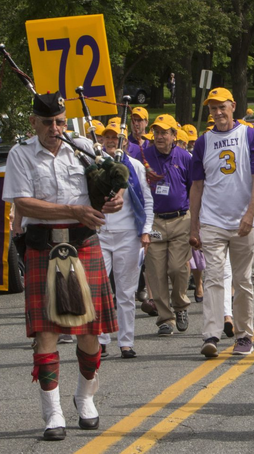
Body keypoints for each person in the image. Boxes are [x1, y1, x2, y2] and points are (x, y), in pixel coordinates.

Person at [2, 93, 123, 440]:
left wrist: (115, 196)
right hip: (44, 246)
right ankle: (52, 412)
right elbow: (24, 202)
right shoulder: (21, 154)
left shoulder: (84, 147)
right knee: (47, 333)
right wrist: (73, 210)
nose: (55, 129)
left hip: (85, 243)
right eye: (47, 123)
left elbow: (110, 183)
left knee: (90, 333)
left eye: (60, 121)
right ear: (33, 122)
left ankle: (85, 397)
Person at [189, 88, 254, 358]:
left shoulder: (249, 135)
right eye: (212, 108)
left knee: (242, 279)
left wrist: (251, 214)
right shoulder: (203, 142)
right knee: (213, 277)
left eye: (222, 107)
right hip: (212, 220)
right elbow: (197, 186)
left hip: (243, 220)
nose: (217, 112)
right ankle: (211, 334)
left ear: (233, 106)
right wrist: (194, 225)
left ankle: (244, 334)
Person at [95, 120, 153, 358]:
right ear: (101, 140)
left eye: (116, 138)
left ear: (125, 142)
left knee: (126, 292)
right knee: (97, 290)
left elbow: (146, 199)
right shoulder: (93, 164)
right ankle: (100, 340)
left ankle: (126, 342)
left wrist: (146, 230)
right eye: (107, 137)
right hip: (99, 234)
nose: (111, 141)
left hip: (128, 235)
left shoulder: (136, 166)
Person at [141, 114, 193, 336]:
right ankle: (165, 318)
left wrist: (197, 219)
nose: (160, 136)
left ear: (174, 135)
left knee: (177, 268)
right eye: (157, 132)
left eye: (164, 132)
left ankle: (180, 306)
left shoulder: (184, 157)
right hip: (154, 221)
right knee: (156, 272)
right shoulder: (143, 155)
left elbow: (195, 188)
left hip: (181, 219)